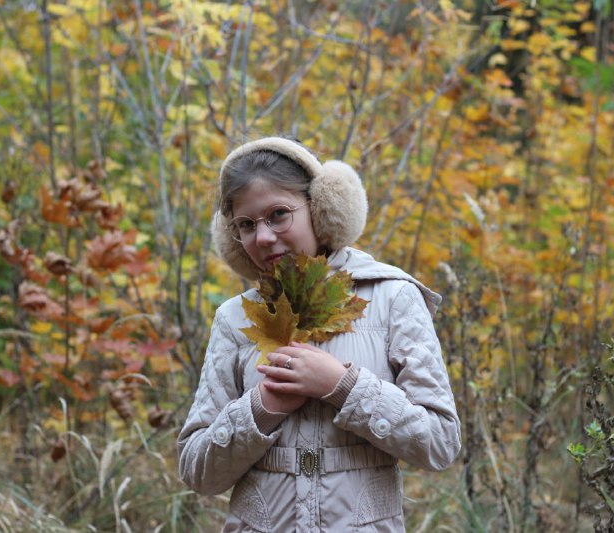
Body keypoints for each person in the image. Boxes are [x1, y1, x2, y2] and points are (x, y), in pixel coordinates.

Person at [178, 136, 461, 531]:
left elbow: (439, 444)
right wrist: (262, 407)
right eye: (246, 224)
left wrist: (343, 386)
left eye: (278, 214)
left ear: (323, 209)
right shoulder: (235, 318)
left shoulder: (393, 297)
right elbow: (197, 472)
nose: (262, 238)